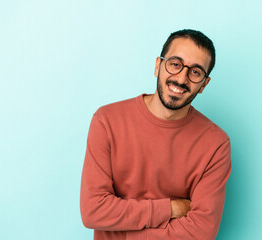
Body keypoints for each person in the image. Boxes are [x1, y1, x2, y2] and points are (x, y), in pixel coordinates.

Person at [80, 29, 231, 240]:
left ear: (204, 84)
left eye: (195, 72)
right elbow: (93, 211)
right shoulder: (107, 120)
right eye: (175, 64)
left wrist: (120, 232)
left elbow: (201, 232)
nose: (181, 78)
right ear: (158, 66)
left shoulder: (216, 143)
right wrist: (169, 209)